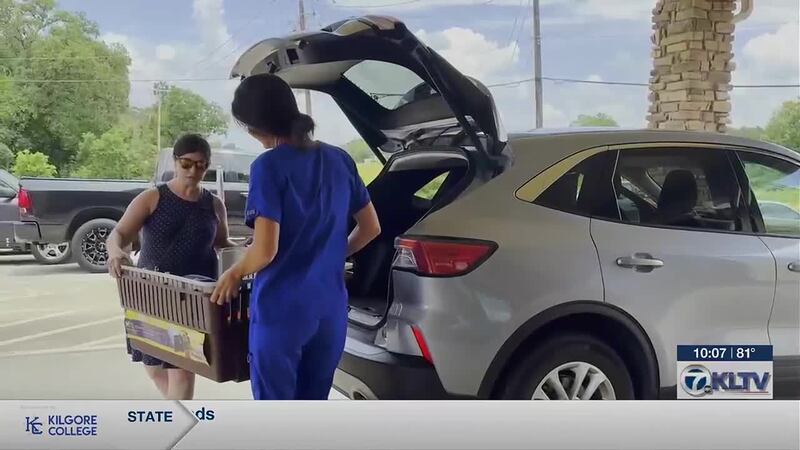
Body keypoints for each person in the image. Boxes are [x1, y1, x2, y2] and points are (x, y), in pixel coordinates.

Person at [211, 74, 381, 400]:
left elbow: (265, 251)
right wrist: (331, 255)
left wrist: (234, 273)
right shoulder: (340, 159)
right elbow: (372, 227)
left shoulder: (268, 167)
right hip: (329, 310)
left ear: (255, 126)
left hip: (281, 313)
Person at [107, 133, 236, 400]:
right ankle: (180, 419)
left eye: (201, 165)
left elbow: (222, 243)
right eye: (187, 163)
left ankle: (181, 429)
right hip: (151, 296)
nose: (193, 171)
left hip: (192, 300)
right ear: (175, 162)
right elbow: (118, 234)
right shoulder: (152, 197)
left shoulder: (213, 204)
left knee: (182, 371)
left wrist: (246, 247)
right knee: (154, 368)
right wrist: (115, 252)